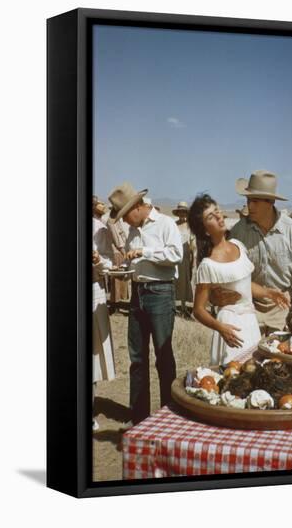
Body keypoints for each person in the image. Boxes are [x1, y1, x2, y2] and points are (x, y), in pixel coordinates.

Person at [108, 182, 183, 425]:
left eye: (126, 215)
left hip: (160, 292)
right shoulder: (133, 229)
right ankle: (139, 416)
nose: (126, 222)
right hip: (138, 293)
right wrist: (124, 268)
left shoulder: (166, 224)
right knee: (137, 358)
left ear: (139, 207)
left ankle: (167, 416)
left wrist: (144, 252)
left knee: (163, 355)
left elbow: (175, 256)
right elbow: (135, 261)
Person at [188, 194, 290, 365]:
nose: (219, 216)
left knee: (254, 371)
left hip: (250, 322)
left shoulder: (238, 246)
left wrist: (268, 293)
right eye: (211, 216)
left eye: (217, 211)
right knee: (233, 375)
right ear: (205, 230)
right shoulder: (208, 264)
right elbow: (198, 310)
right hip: (230, 326)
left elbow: (244, 285)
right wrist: (220, 328)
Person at [214, 170, 292, 335]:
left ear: (271, 202)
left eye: (255, 201)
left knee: (278, 358)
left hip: (282, 309)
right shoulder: (239, 232)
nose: (249, 206)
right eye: (248, 200)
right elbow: (231, 277)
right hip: (248, 307)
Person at [92, 196, 116, 430]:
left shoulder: (99, 229)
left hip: (91, 291)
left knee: (92, 353)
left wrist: (98, 260)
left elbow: (109, 263)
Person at [172, 201, 196, 318]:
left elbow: (192, 243)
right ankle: (176, 306)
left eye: (184, 212)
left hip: (186, 254)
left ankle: (184, 306)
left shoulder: (190, 226)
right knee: (176, 279)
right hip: (176, 253)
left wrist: (193, 259)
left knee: (186, 279)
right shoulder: (174, 225)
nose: (182, 215)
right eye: (180, 212)